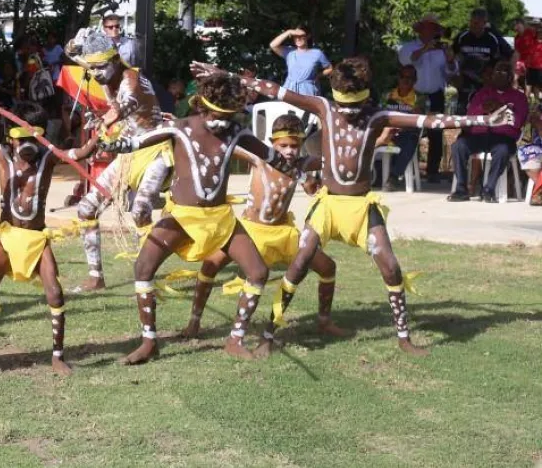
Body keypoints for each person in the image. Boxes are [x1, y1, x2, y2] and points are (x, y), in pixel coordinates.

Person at [194, 57, 514, 355]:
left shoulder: (377, 116)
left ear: (365, 95)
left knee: (390, 266)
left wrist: (485, 118)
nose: (347, 113)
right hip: (329, 206)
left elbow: (429, 120)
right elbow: (273, 88)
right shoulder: (323, 107)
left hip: (362, 208)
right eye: (343, 105)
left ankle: (404, 338)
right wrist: (226, 76)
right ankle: (268, 334)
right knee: (299, 264)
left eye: (353, 106)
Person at [106, 72, 276, 363]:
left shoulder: (237, 132)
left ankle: (235, 339)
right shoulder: (180, 128)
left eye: (229, 115)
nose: (222, 122)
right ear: (201, 105)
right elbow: (135, 144)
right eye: (216, 114)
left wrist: (306, 165)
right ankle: (149, 342)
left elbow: (275, 157)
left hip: (221, 219)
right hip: (182, 217)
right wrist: (109, 143)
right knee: (143, 268)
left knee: (258, 272)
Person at [0, 92, 98, 376]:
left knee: (55, 294)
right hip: (7, 237)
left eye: (33, 139)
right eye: (21, 139)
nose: (27, 146)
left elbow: (83, 153)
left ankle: (57, 357)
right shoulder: (0, 155)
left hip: (36, 238)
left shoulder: (48, 158)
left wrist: (101, 131)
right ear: (10, 137)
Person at [179, 114, 344, 342]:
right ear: (271, 142)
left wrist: (374, 141)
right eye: (283, 145)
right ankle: (194, 322)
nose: (289, 151)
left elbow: (336, 159)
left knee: (327, 267)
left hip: (283, 233)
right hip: (249, 230)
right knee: (210, 265)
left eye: (294, 146)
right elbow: (222, 144)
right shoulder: (259, 158)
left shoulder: (302, 165)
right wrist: (186, 127)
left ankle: (324, 321)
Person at [67, 30, 171, 294]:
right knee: (86, 208)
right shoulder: (104, 67)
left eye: (102, 67)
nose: (97, 74)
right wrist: (79, 40)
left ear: (115, 60)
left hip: (154, 148)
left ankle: (146, 275)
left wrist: (87, 147)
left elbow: (123, 108)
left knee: (140, 209)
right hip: (128, 151)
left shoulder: (130, 80)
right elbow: (72, 53)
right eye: (93, 69)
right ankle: (95, 276)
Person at [447, 60, 529, 203]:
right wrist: (483, 109)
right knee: (458, 146)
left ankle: (489, 189)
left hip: (503, 138)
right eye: (497, 72)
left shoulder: (519, 97)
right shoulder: (482, 93)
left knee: (502, 151)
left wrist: (502, 107)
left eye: (504, 72)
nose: (499, 75)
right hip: (479, 135)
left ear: (511, 77)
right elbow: (471, 116)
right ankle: (461, 189)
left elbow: (518, 121)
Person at [397, 13, 458, 184]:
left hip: (435, 94)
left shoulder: (442, 50)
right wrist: (426, 49)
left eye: (435, 29)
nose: (432, 32)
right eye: (429, 28)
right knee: (409, 132)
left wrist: (451, 59)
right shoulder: (409, 47)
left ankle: (432, 171)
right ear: (421, 29)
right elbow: (407, 61)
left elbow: (452, 72)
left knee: (436, 133)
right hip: (413, 95)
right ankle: (404, 169)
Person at [373, 64, 424, 190]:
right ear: (398, 78)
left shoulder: (420, 98)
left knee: (411, 140)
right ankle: (371, 174)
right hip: (386, 131)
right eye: (403, 77)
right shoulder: (388, 95)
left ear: (415, 80)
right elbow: (379, 114)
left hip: (406, 132)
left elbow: (421, 120)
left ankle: (394, 177)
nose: (406, 80)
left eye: (410, 78)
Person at [453, 8, 513, 112]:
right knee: (462, 110)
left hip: (486, 80)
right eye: (471, 22)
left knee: (485, 109)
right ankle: (464, 127)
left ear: (484, 23)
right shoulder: (462, 37)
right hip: (466, 80)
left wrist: (504, 76)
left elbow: (510, 55)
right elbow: (452, 54)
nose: (473, 25)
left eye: (476, 23)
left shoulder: (493, 38)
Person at [269, 26, 332, 97]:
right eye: (295, 36)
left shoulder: (317, 53)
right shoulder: (289, 52)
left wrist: (318, 76)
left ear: (308, 36)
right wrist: (289, 31)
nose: (298, 38)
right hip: (289, 90)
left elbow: (329, 68)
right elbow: (273, 45)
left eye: (301, 36)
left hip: (308, 92)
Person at [518, 104, 542, 206]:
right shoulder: (534, 113)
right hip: (532, 147)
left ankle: (538, 193)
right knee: (531, 161)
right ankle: (538, 192)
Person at [512, 18, 542, 102]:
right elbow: (516, 52)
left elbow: (538, 30)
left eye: (517, 25)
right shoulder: (517, 37)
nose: (516, 27)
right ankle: (515, 98)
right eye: (514, 26)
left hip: (532, 62)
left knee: (531, 84)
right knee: (514, 79)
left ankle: (530, 101)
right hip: (521, 61)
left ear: (522, 25)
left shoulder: (529, 32)